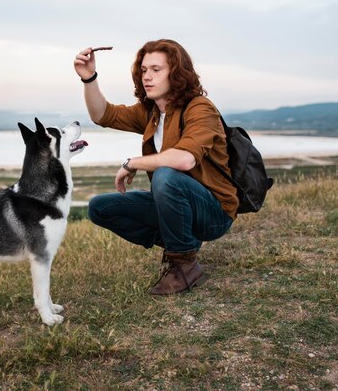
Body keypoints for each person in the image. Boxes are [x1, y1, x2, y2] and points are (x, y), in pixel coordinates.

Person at [73, 39, 238, 295]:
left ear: (177, 72)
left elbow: (185, 159)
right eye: (144, 70)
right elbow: (102, 115)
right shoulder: (151, 112)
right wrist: (89, 78)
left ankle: (184, 265)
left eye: (156, 70)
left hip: (214, 212)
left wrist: (133, 163)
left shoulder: (200, 109)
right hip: (180, 206)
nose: (147, 77)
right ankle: (183, 242)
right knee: (100, 208)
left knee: (166, 176)